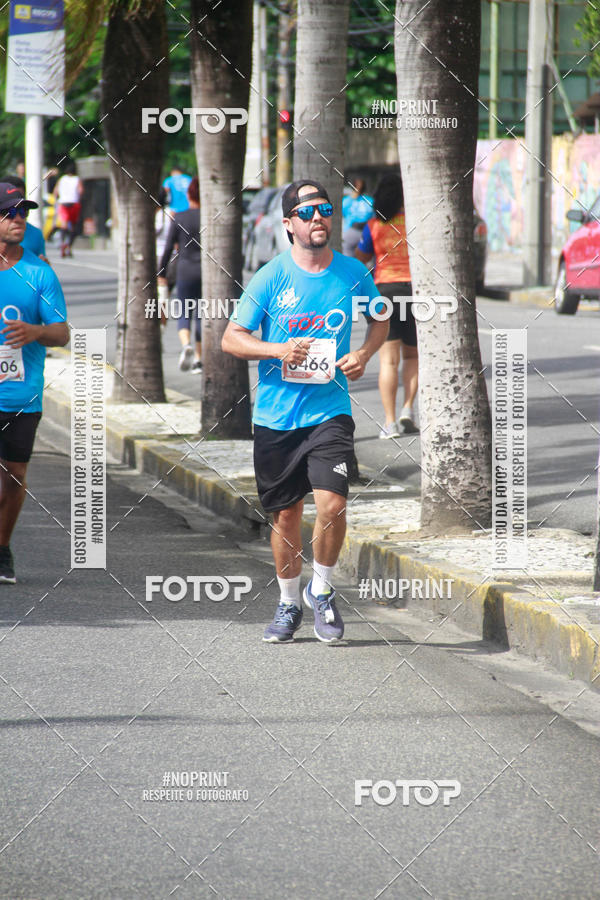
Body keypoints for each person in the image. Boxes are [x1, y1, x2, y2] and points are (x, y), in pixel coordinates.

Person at [222, 180, 388, 643]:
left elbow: (380, 317)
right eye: (308, 211)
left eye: (325, 210)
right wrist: (277, 350)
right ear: (289, 223)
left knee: (333, 503)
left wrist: (365, 354)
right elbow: (231, 338)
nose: (318, 218)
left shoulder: (352, 272)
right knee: (286, 517)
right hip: (275, 418)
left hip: (329, 411)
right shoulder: (271, 275)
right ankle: (289, 602)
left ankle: (323, 590)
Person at [0, 183, 69, 582]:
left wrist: (33, 331)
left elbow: (61, 332)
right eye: (9, 213)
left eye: (22, 212)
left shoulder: (39, 272)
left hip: (21, 394)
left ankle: (2, 547)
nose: (18, 220)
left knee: (14, 474)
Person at [355, 172, 419, 437]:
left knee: (388, 362)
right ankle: (407, 410)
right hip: (416, 293)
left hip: (384, 293)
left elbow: (360, 260)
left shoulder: (373, 226)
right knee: (413, 356)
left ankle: (390, 423)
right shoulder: (416, 222)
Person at [158, 176, 202, 373]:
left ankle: (186, 346)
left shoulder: (180, 217)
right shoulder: (209, 216)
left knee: (185, 311)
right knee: (202, 313)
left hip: (184, 269)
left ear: (189, 194)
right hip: (205, 271)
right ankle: (199, 360)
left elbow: (168, 248)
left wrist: (162, 272)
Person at [1, 176, 47, 260]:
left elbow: (41, 261)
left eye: (23, 210)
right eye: (9, 211)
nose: (17, 219)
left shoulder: (36, 234)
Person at [53, 161, 83, 257]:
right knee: (73, 227)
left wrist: (57, 200)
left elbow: (55, 192)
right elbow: (81, 191)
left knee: (64, 225)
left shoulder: (61, 179)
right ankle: (69, 246)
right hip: (74, 203)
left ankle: (62, 243)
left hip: (63, 203)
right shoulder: (77, 179)